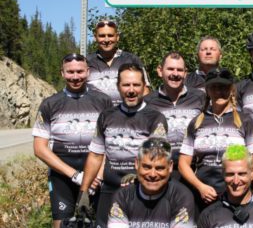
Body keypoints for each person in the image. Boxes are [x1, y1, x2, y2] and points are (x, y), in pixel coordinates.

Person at [76, 63, 168, 228]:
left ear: (144, 87)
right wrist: (84, 192)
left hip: (142, 192)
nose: (131, 90)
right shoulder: (106, 116)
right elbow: (96, 155)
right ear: (118, 87)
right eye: (126, 85)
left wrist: (138, 176)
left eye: (136, 85)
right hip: (109, 191)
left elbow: (156, 158)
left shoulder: (156, 118)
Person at [32, 53, 112, 228]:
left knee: (100, 223)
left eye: (79, 72)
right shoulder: (49, 104)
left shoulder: (104, 101)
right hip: (62, 177)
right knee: (61, 223)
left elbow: (110, 143)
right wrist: (75, 176)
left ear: (88, 72)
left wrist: (97, 176)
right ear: (62, 73)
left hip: (96, 176)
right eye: (70, 72)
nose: (75, 77)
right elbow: (39, 148)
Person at [178, 68, 253, 214]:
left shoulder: (245, 121)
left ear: (231, 90)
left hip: (237, 194)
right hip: (204, 196)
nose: (219, 92)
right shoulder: (196, 122)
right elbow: (183, 164)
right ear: (207, 90)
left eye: (223, 87)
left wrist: (239, 185)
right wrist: (200, 187)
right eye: (214, 87)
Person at [107, 137, 195, 228]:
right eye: (147, 167)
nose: (152, 174)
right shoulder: (122, 196)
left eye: (159, 168)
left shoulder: (182, 196)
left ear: (170, 166)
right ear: (137, 164)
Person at [145, 52, 205, 179]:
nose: (175, 74)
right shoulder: (147, 102)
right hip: (160, 171)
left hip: (194, 170)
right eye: (170, 69)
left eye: (179, 70)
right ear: (160, 71)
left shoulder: (200, 98)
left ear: (185, 73)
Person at [87, 20, 150, 105]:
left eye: (110, 35)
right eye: (102, 36)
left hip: (127, 115)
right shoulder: (87, 62)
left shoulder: (132, 59)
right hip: (96, 115)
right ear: (95, 37)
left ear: (117, 37)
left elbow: (145, 90)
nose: (106, 40)